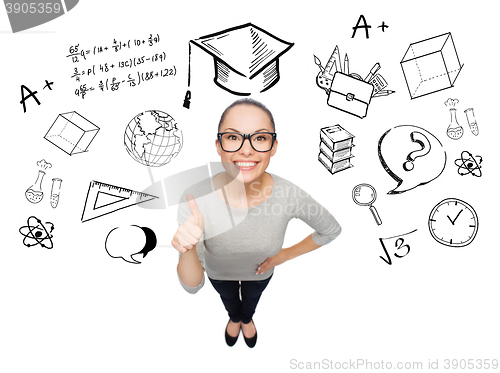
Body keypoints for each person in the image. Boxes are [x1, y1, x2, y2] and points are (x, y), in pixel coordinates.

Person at [172, 98, 341, 348]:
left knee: (251, 300)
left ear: (273, 147)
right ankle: (234, 317)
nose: (246, 150)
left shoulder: (289, 194)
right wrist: (186, 250)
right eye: (233, 137)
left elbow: (331, 230)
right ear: (218, 146)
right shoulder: (195, 198)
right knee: (229, 301)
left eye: (260, 138)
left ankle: (247, 318)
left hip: (261, 274)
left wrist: (283, 255)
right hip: (218, 275)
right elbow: (193, 287)